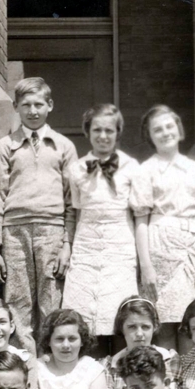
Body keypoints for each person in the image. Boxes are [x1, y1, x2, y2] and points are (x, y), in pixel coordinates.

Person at [0, 76, 78, 355]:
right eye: (26, 104)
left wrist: (67, 245)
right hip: (14, 232)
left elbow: (72, 201)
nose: (33, 110)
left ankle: (51, 363)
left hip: (52, 231)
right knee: (17, 301)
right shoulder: (5, 146)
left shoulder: (63, 146)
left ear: (50, 105)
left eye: (39, 104)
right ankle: (22, 363)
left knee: (51, 300)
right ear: (16, 106)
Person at [135, 105, 195, 351]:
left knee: (194, 321)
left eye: (169, 126)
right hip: (160, 249)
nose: (165, 132)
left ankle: (193, 384)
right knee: (165, 323)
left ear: (179, 129)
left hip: (192, 251)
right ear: (149, 136)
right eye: (157, 129)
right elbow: (141, 221)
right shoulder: (145, 171)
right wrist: (146, 265)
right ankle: (169, 383)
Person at [62, 104, 142, 355]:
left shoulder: (131, 167)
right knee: (86, 313)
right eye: (97, 129)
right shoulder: (76, 169)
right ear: (87, 131)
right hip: (86, 245)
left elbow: (139, 215)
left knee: (119, 311)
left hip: (120, 245)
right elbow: (74, 211)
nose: (103, 136)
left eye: (109, 130)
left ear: (118, 133)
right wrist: (68, 246)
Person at [104, 297, 176, 389]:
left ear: (154, 327)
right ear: (121, 328)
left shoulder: (168, 359)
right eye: (132, 327)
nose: (139, 334)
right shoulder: (110, 366)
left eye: (145, 327)